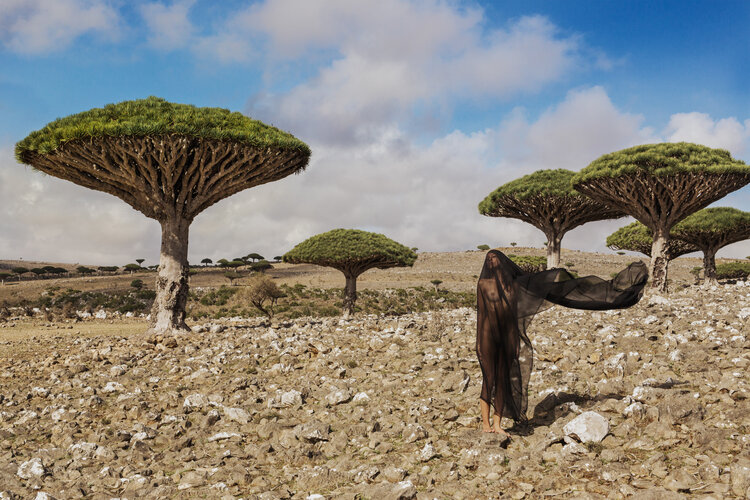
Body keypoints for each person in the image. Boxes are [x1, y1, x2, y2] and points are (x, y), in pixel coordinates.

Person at [476, 249, 648, 437]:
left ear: (503, 263)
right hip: (487, 338)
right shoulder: (484, 284)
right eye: (489, 259)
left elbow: (531, 297)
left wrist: (556, 276)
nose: (492, 262)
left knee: (503, 382)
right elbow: (482, 315)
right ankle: (486, 424)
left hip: (508, 338)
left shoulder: (515, 286)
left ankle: (497, 424)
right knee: (489, 380)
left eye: (495, 259)